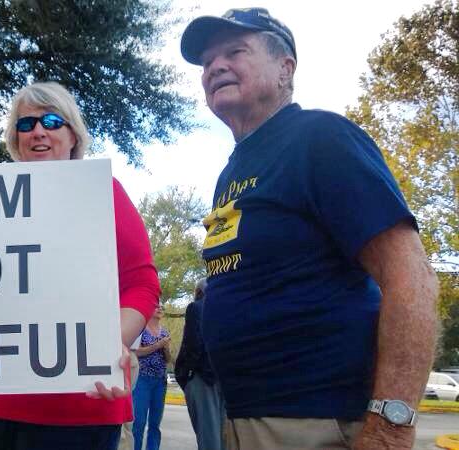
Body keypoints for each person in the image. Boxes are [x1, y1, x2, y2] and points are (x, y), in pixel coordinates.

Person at [179, 8, 439, 450]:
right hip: (243, 417)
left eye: (234, 51)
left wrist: (390, 427)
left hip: (316, 422)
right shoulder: (234, 169)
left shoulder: (320, 138)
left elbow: (411, 278)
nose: (215, 67)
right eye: (207, 62)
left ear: (286, 68)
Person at [0, 81, 160, 450]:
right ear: (16, 139)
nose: (38, 131)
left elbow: (142, 283)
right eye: (26, 125)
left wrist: (109, 342)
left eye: (52, 121)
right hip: (1, 404)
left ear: (73, 134)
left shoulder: (103, 192)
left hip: (85, 402)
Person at [175, 278, 225, 450]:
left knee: (208, 435)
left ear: (198, 291)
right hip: (224, 377)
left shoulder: (196, 307)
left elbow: (193, 343)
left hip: (203, 377)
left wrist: (186, 373)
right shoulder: (228, 308)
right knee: (224, 434)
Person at [131, 306, 171, 450]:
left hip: (160, 381)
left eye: (162, 307)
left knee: (155, 423)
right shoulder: (140, 330)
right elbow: (136, 352)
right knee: (139, 422)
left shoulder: (165, 332)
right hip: (143, 379)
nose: (159, 308)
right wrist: (158, 345)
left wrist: (166, 349)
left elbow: (168, 360)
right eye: (155, 306)